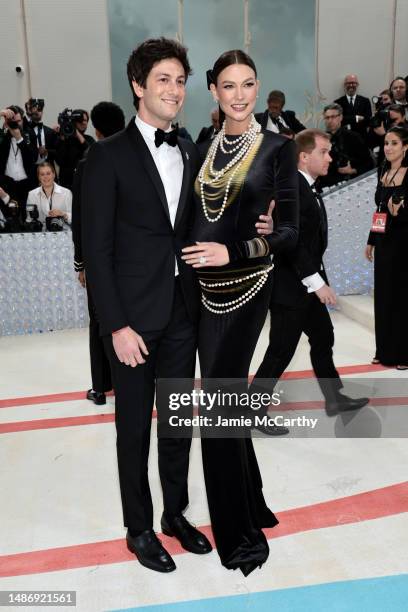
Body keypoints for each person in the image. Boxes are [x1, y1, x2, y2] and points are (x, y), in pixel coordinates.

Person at [82, 37, 213, 574]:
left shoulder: (186, 148)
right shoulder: (105, 155)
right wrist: (115, 325)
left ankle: (174, 513)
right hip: (132, 321)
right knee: (133, 429)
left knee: (178, 422)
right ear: (138, 86)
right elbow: (97, 249)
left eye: (180, 80)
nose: (174, 90)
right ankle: (138, 527)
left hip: (183, 312)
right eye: (163, 79)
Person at [181, 50, 299, 575]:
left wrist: (236, 252)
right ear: (213, 91)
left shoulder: (278, 148)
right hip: (202, 295)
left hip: (248, 291)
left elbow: (290, 233)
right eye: (228, 86)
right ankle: (251, 503)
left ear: (258, 87)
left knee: (219, 410)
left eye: (248, 84)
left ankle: (239, 535)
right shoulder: (204, 144)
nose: (239, 95)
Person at [251, 129, 368, 436]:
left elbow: (311, 242)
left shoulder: (308, 188)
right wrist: (318, 283)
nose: (330, 157)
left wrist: (319, 281)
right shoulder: (292, 190)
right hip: (291, 287)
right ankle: (253, 408)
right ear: (304, 157)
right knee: (280, 351)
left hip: (307, 285)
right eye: (324, 152)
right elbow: (291, 243)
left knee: (323, 337)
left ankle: (334, 398)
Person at [72, 101, 125, 405]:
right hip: (130, 256)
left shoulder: (87, 162)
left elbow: (80, 218)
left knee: (100, 320)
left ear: (97, 129)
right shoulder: (134, 158)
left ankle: (102, 387)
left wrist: (81, 262)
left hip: (98, 257)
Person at [365, 126, 408, 369]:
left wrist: (400, 213)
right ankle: (384, 350)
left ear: (405, 147)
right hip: (384, 243)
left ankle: (403, 353)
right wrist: (372, 239)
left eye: (394, 143)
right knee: (383, 296)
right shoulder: (383, 170)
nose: (388, 148)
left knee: (401, 297)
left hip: (404, 242)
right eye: (386, 143)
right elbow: (380, 209)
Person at [320, 103, 373, 188]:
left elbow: (369, 163)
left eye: (333, 117)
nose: (330, 120)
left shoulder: (354, 137)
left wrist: (353, 170)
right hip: (331, 187)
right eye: (327, 117)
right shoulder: (320, 141)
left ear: (341, 117)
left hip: (356, 183)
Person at [0, 106, 37, 221]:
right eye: (12, 121)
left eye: (18, 121)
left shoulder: (29, 134)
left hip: (27, 185)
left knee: (29, 220)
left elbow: (33, 158)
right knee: (9, 221)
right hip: (7, 185)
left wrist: (19, 139)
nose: (15, 124)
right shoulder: (2, 136)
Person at [55, 109, 94, 188]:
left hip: (84, 183)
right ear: (73, 121)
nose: (84, 123)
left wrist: (78, 135)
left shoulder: (89, 139)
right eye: (80, 120)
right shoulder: (63, 140)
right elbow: (59, 161)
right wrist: (62, 138)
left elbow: (92, 155)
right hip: (66, 185)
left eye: (86, 120)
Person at [26, 161, 72, 228]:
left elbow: (74, 218)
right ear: (38, 177)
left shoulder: (67, 193)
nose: (45, 177)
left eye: (48, 173)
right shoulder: (32, 194)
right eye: (42, 174)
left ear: (54, 175)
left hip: (62, 232)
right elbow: (29, 220)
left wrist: (62, 213)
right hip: (41, 234)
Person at [334, 74, 372, 140]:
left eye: (353, 83)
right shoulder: (337, 102)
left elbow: (368, 120)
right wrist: (356, 118)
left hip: (362, 138)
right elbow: (338, 120)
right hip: (344, 139)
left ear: (357, 85)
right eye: (348, 83)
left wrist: (347, 119)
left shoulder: (365, 101)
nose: (351, 85)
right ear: (344, 85)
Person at [25, 98, 59, 164]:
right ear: (29, 111)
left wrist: (47, 152)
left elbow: (58, 151)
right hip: (30, 170)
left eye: (40, 109)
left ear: (42, 112)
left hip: (47, 167)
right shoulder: (24, 129)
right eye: (34, 108)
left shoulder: (50, 131)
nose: (37, 111)